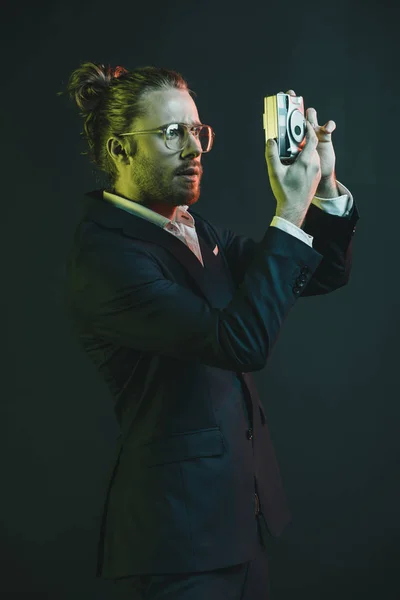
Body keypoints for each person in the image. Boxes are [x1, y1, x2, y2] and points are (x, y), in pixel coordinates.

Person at [60, 62, 359, 599]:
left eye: (198, 131)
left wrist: (322, 190)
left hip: (239, 526)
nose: (194, 148)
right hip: (177, 543)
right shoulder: (107, 258)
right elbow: (238, 342)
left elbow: (318, 272)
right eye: (173, 132)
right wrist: (287, 211)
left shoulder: (195, 230)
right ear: (119, 149)